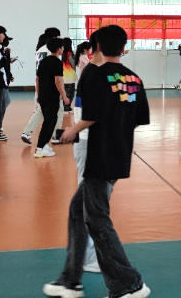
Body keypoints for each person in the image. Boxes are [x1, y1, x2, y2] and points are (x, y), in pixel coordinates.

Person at [42, 24, 151, 298]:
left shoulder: (99, 76)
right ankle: (71, 280)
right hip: (119, 154)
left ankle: (130, 284)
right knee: (79, 211)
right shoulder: (134, 78)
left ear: (98, 47)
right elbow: (138, 117)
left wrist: (71, 131)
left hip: (100, 156)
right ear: (123, 48)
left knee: (97, 219)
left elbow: (92, 115)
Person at [71, 38, 100, 274]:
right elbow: (90, 115)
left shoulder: (98, 72)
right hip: (87, 141)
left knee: (93, 201)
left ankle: (87, 255)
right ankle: (87, 258)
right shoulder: (91, 73)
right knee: (88, 202)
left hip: (92, 142)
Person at [34, 38, 69, 158]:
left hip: (43, 95)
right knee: (50, 122)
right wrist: (64, 96)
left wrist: (38, 94)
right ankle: (40, 148)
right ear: (59, 49)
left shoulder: (44, 61)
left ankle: (44, 145)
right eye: (62, 47)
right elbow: (58, 81)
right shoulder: (57, 62)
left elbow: (37, 79)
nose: (63, 49)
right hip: (52, 96)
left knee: (48, 121)